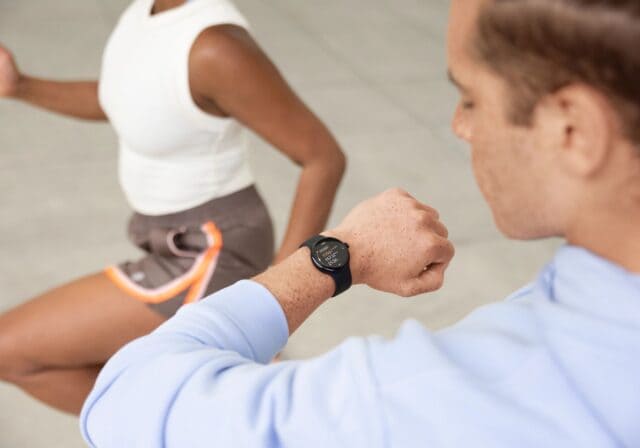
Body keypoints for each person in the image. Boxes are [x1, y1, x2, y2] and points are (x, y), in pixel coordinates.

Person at [81, 0, 640, 446]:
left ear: (574, 131)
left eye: (470, 98)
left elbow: (124, 402)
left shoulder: (448, 396)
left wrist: (336, 254)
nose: (458, 125)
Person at [0, 0, 345, 415]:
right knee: (173, 393)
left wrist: (279, 295)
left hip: (209, 252)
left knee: (11, 350)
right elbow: (123, 99)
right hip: (167, 242)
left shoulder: (214, 48)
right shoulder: (145, 12)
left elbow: (322, 158)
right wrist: (20, 86)